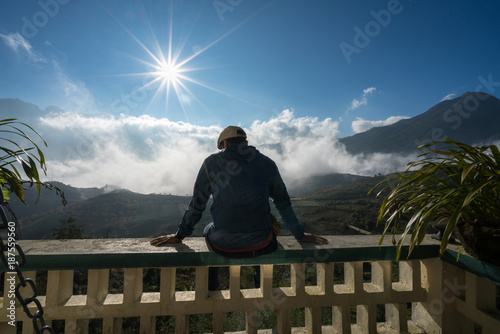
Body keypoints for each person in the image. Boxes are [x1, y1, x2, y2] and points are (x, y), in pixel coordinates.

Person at [150, 126, 328, 289]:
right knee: (265, 228)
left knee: (208, 228)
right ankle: (260, 287)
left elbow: (197, 204)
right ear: (246, 143)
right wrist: (299, 234)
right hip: (263, 244)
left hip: (222, 244)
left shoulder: (210, 163)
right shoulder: (267, 163)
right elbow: (283, 203)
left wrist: (180, 235)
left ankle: (213, 287)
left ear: (225, 144)